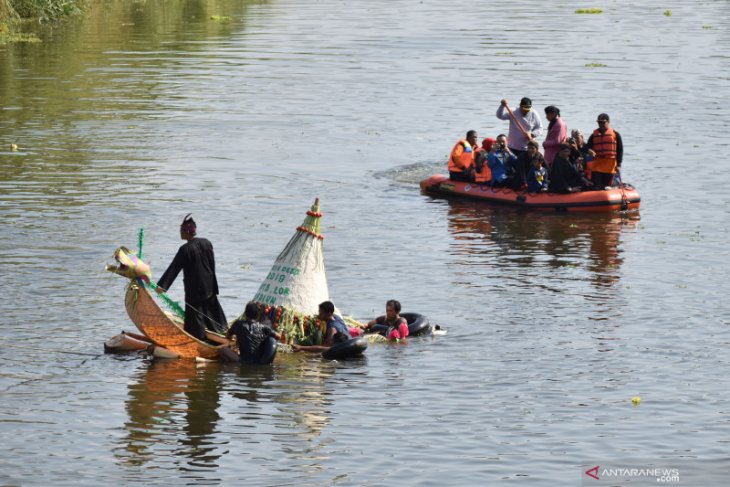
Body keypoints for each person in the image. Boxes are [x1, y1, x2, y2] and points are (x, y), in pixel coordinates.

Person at [156, 214, 228, 340]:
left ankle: (199, 340)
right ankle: (222, 333)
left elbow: (174, 268)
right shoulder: (207, 243)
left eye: (181, 231)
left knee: (196, 319)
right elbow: (211, 265)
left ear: (186, 232)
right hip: (210, 286)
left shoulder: (185, 249)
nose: (180, 234)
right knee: (214, 314)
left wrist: (162, 286)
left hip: (195, 291)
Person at [585, 113, 623, 188]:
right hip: (597, 166)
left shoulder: (615, 135)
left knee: (607, 186)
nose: (601, 124)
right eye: (599, 122)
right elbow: (586, 148)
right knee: (596, 186)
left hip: (610, 166)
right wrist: (589, 150)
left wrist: (618, 164)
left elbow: (620, 150)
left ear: (608, 122)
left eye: (603, 122)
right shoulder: (593, 135)